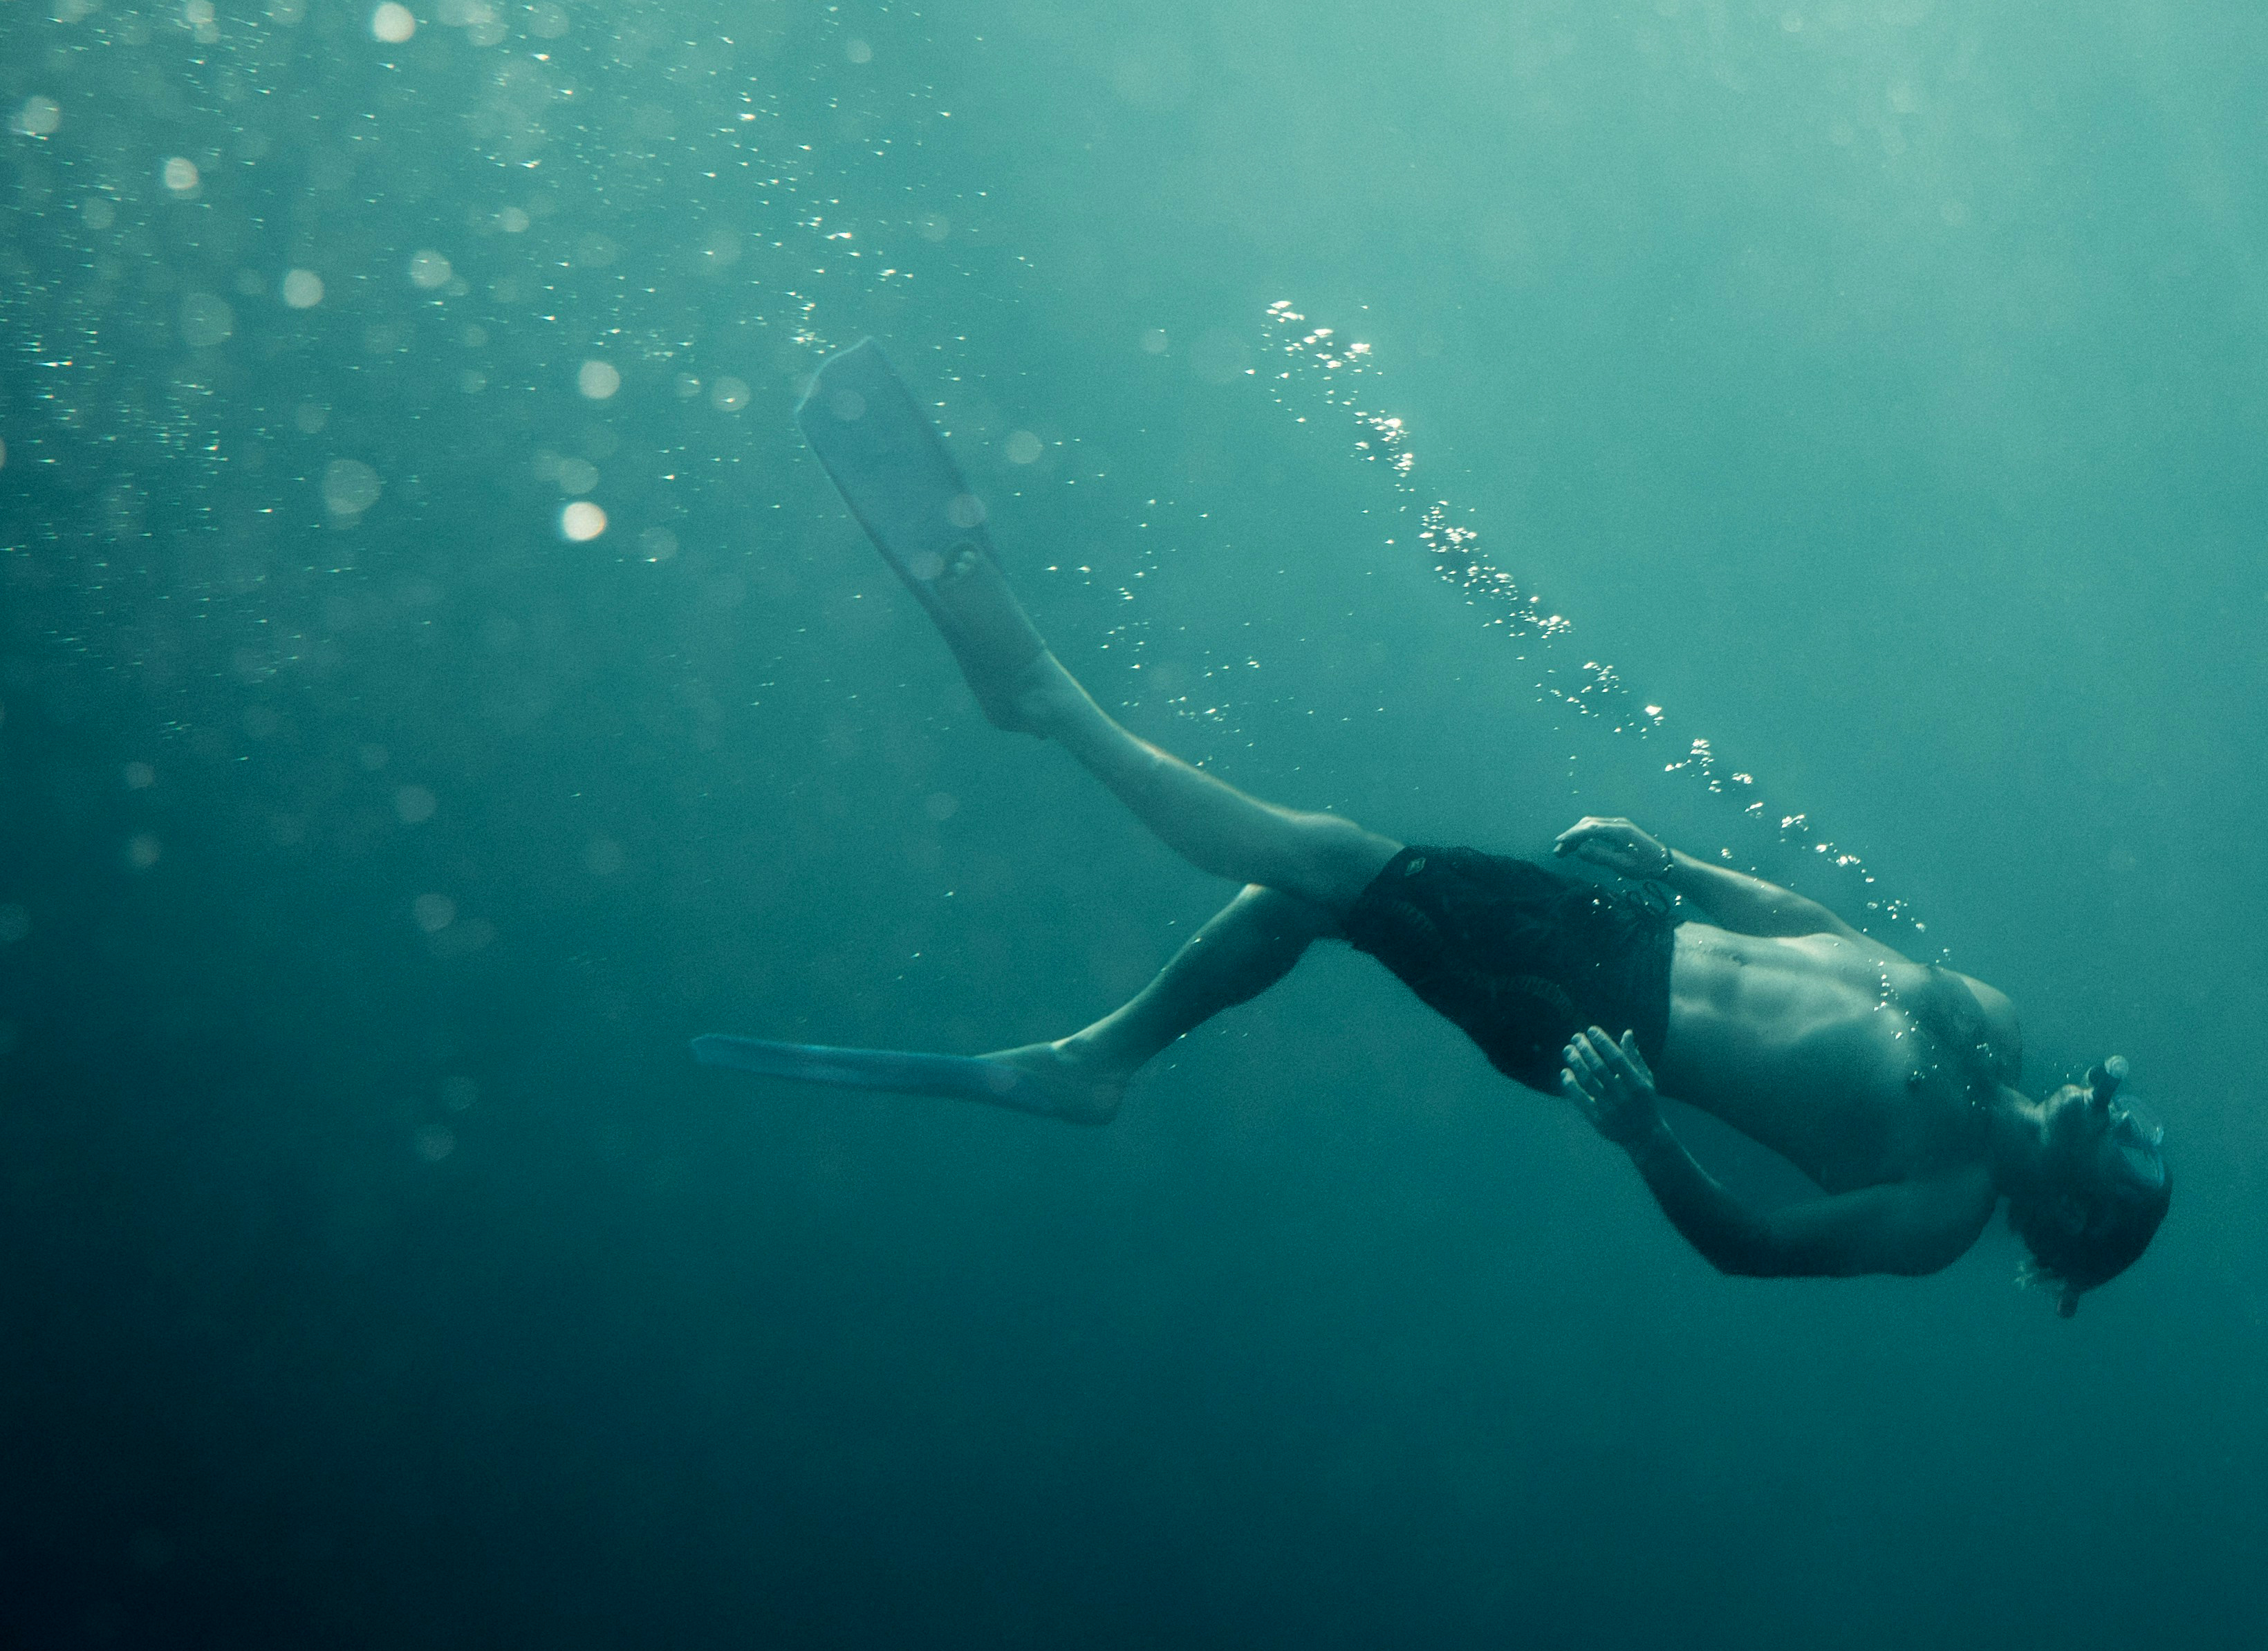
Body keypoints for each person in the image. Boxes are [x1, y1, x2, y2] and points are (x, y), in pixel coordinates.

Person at [696, 542, 2171, 1312]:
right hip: (1625, 928)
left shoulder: (1938, 1212)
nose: (2132, 1109)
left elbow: (1757, 1249)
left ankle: (1046, 708)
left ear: (2090, 1214)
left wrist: (1641, 1131)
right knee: (1315, 897)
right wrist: (1682, 862)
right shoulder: (1993, 1023)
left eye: (2138, 1148)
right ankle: (1101, 1058)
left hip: (1601, 1024)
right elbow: (1824, 929)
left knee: (1336, 860)